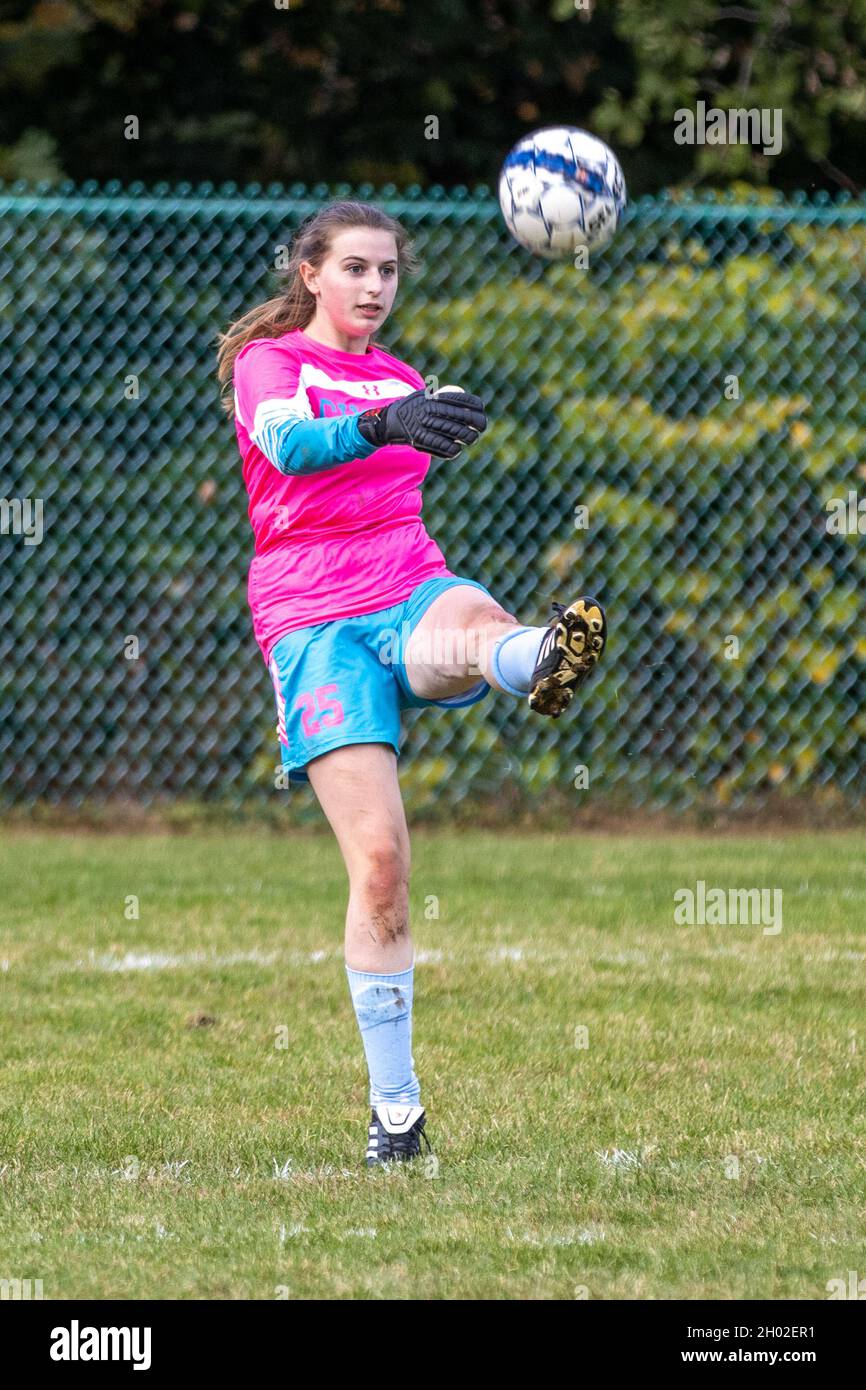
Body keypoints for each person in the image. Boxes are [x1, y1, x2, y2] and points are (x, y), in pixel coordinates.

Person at [216, 200, 606, 1168]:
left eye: (386, 272)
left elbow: (391, 471)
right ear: (308, 272)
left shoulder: (398, 374)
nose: (373, 288)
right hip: (309, 614)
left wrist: (416, 407)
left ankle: (535, 656)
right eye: (353, 268)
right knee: (383, 867)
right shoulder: (269, 365)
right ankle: (396, 1115)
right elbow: (294, 446)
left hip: (403, 580)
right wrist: (383, 417)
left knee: (473, 629)